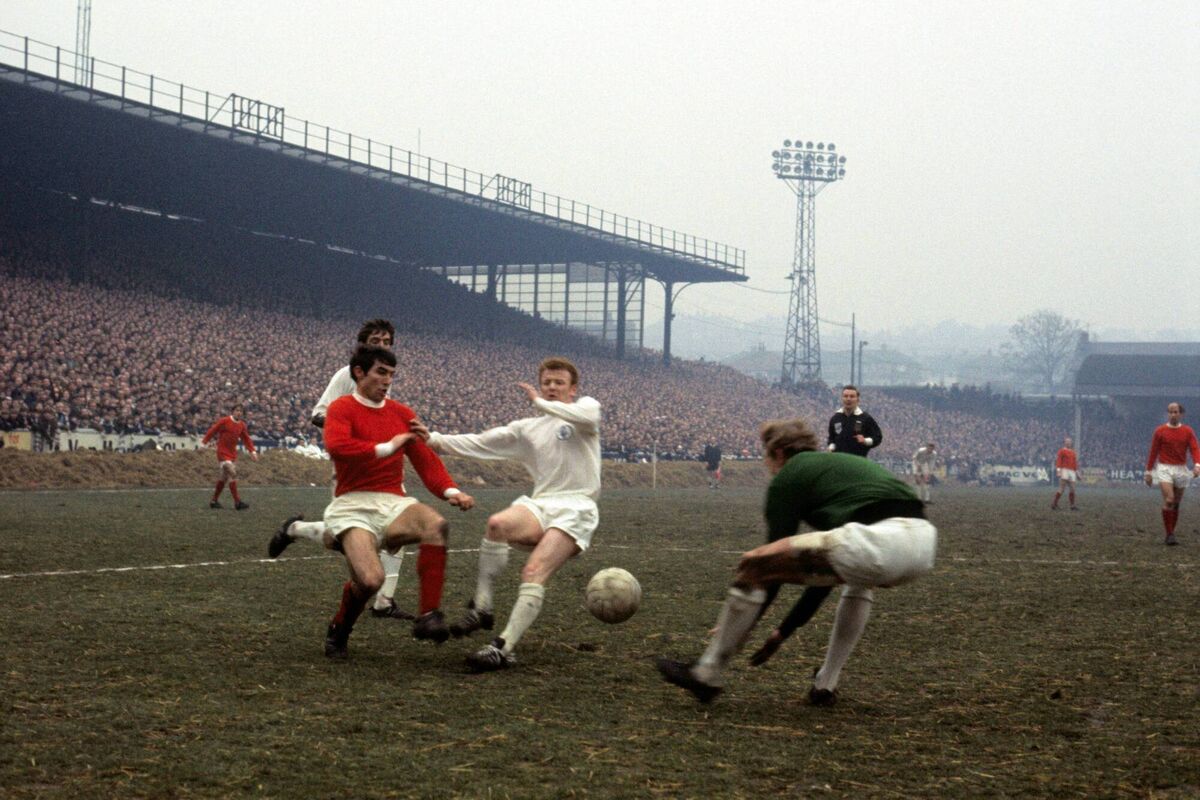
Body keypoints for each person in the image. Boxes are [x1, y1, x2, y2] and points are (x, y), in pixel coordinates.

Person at [656, 417, 936, 706]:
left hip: (878, 541)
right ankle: (825, 684)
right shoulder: (835, 469)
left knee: (756, 564)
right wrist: (784, 630)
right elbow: (824, 576)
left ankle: (706, 673)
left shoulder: (790, 475)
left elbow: (770, 569)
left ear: (778, 453)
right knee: (858, 580)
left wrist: (743, 625)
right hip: (922, 543)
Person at [418, 356, 601, 672]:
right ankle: (482, 608)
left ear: (573, 389)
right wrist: (435, 440)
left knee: (533, 571)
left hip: (577, 508)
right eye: (547, 383)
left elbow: (586, 415)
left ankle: (503, 648)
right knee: (497, 524)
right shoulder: (528, 429)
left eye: (559, 383)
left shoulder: (586, 410)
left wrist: (540, 403)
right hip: (542, 503)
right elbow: (482, 442)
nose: (552, 387)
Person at [318, 345, 474, 659]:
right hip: (352, 505)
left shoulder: (402, 413)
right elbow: (338, 446)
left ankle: (429, 615)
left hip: (391, 502)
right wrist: (387, 447)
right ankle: (340, 628)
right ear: (359, 372)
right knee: (370, 581)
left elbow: (425, 460)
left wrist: (451, 491)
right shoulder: (341, 408)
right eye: (381, 372)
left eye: (391, 374)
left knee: (436, 525)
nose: (387, 380)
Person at [270, 319, 414, 621]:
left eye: (387, 342)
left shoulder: (384, 378)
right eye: (376, 341)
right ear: (362, 345)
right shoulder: (347, 375)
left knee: (396, 529)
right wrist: (351, 429)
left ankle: (384, 601)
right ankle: (295, 529)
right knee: (345, 535)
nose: (382, 346)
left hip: (381, 467)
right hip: (351, 467)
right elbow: (318, 414)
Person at [1144, 402, 1200, 546]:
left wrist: (1197, 465)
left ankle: (1171, 532)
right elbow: (1153, 451)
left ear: (1181, 414)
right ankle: (1169, 534)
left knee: (1175, 503)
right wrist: (1148, 471)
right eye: (1170, 412)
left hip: (1181, 469)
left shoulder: (1187, 431)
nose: (1173, 414)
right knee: (1169, 499)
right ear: (1167, 414)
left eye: (1175, 412)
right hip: (1164, 468)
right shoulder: (1160, 431)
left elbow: (1194, 448)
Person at [201, 402, 258, 510]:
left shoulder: (242, 425)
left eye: (241, 411)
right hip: (222, 452)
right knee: (232, 473)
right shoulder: (225, 421)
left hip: (232, 454)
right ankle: (237, 502)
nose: (239, 413)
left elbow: (246, 439)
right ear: (232, 411)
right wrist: (204, 442)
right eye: (237, 410)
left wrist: (253, 451)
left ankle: (214, 501)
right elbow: (213, 430)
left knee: (224, 477)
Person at [827, 385, 883, 458]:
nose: (848, 399)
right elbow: (832, 438)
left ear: (857, 399)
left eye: (852, 396)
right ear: (842, 398)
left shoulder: (865, 418)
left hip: (858, 460)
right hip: (839, 460)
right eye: (845, 396)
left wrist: (865, 441)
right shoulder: (836, 418)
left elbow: (878, 437)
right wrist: (831, 446)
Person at [1051, 436, 1079, 510]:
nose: (1068, 443)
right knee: (1062, 488)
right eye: (1067, 441)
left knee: (1073, 488)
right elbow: (1059, 461)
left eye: (1069, 442)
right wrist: (1058, 471)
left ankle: (1072, 505)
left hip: (1072, 471)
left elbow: (1075, 463)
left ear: (1071, 443)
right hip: (1065, 470)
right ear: (1065, 443)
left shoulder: (1073, 452)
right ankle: (1054, 503)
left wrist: (1077, 472)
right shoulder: (1062, 451)